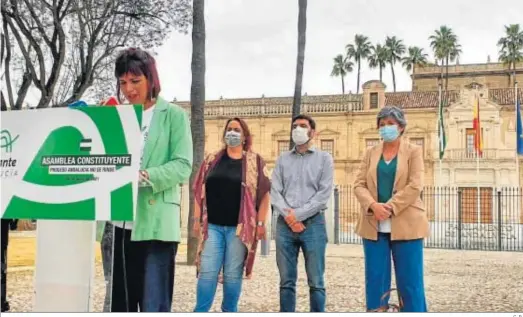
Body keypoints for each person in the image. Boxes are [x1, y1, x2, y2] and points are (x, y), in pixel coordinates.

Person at [108, 47, 193, 312]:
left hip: (157, 225)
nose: (128, 89)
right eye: (123, 82)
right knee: (120, 303)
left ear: (151, 79)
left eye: (135, 81)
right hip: (119, 223)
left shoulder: (174, 115)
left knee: (153, 303)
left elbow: (183, 165)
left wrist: (144, 176)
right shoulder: (117, 117)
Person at [353, 106, 429, 312]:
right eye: (382, 124)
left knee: (410, 282)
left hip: (407, 226)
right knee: (375, 281)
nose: (386, 128)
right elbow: (358, 184)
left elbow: (415, 185)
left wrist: (390, 207)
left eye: (390, 124)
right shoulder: (370, 153)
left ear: (401, 127)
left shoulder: (414, 152)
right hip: (373, 226)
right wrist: (372, 206)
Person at [192, 117, 271, 312]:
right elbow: (198, 191)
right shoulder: (211, 160)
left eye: (237, 130)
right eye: (229, 129)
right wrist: (195, 219)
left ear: (244, 136)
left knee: (232, 275)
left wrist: (261, 224)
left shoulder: (255, 162)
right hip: (212, 228)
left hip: (239, 229)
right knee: (207, 273)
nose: (232, 133)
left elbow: (264, 195)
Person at [271, 114, 334, 312]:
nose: (298, 129)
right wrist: (289, 217)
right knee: (286, 281)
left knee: (316, 280)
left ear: (312, 132)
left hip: (313, 224)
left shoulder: (324, 159)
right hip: (284, 226)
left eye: (303, 126)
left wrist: (296, 216)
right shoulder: (282, 159)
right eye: (295, 126)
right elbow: (275, 191)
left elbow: (323, 195)